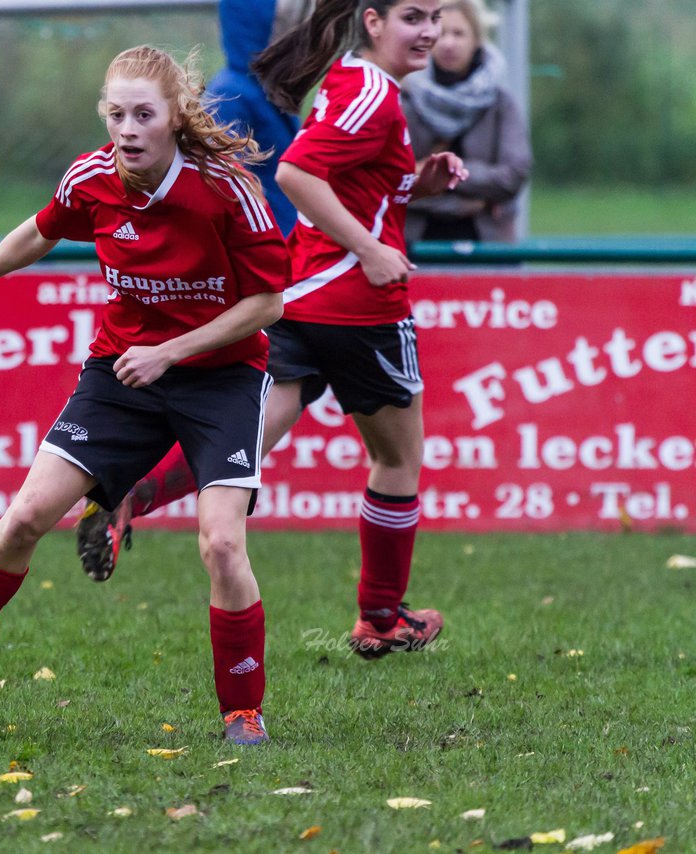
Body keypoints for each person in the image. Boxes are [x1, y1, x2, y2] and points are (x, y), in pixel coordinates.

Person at [0, 45, 292, 745]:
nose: (127, 128)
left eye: (143, 114)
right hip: (122, 375)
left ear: (173, 117)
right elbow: (40, 229)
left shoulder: (225, 187)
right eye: (115, 113)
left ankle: (243, 711)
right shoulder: (92, 177)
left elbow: (270, 302)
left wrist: (172, 352)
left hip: (221, 378)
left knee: (220, 544)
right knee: (27, 514)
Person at [77, 0, 468, 660]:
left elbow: (348, 183)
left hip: (301, 294)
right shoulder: (373, 91)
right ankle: (380, 618)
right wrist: (370, 252)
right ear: (372, 21)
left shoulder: (347, 77)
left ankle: (131, 497)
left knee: (248, 440)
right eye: (413, 16)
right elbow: (297, 172)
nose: (428, 30)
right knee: (398, 459)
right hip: (361, 308)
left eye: (435, 16)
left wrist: (413, 185)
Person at [400, 0, 531, 242]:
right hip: (412, 247)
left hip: (487, 249)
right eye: (441, 34)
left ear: (477, 40)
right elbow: (391, 180)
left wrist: (436, 173)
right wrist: (475, 198)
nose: (448, 43)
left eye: (459, 33)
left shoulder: (500, 103)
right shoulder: (404, 100)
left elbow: (513, 175)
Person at [205, 0, 316, 234]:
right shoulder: (230, 95)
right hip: (263, 249)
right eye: (283, 24)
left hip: (285, 241)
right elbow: (225, 191)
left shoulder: (269, 90)